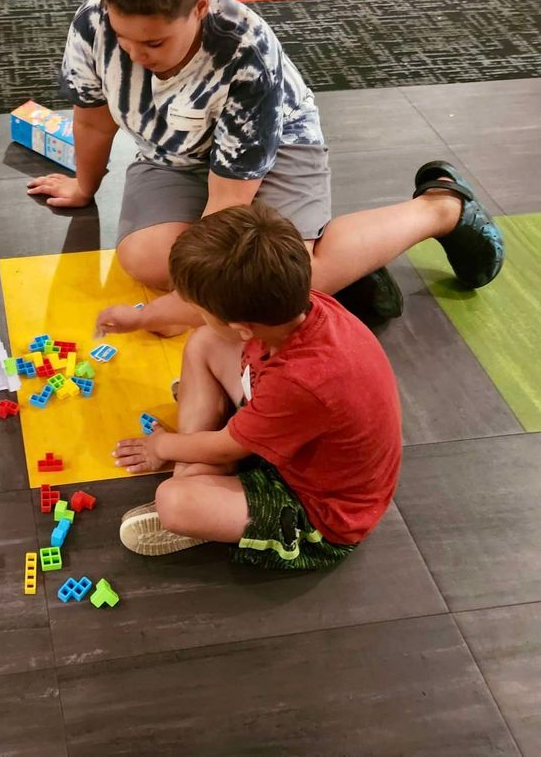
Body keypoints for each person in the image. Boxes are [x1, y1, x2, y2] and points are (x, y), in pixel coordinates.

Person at [29, 0, 504, 337]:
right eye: (123, 36)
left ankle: (441, 208)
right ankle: (335, 266)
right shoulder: (93, 23)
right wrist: (84, 185)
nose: (135, 54)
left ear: (199, 6)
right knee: (147, 261)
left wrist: (191, 306)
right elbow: (93, 118)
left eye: (153, 42)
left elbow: (228, 201)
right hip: (175, 154)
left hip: (276, 152)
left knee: (258, 286)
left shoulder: (244, 53)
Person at [113, 203, 402, 568]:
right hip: (288, 431)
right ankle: (199, 474)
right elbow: (226, 343)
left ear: (243, 329)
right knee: (204, 341)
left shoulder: (301, 381)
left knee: (175, 502)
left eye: (201, 310)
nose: (196, 316)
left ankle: (199, 492)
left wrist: (163, 446)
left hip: (318, 513)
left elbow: (225, 446)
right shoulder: (302, 304)